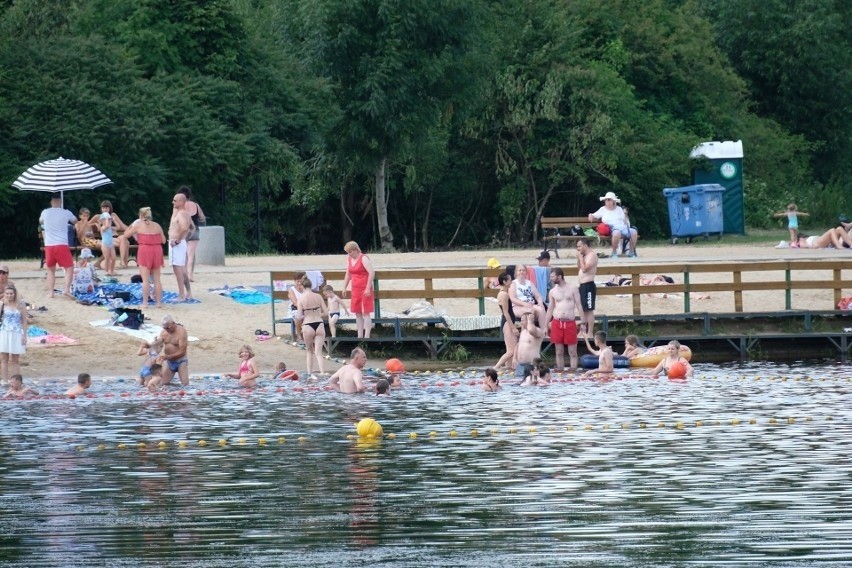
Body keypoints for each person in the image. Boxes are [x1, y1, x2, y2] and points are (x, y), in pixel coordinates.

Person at [121, 207, 166, 308]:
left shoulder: (138, 225)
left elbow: (126, 235)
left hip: (145, 250)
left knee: (145, 280)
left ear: (141, 215)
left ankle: (145, 303)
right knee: (157, 279)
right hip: (157, 250)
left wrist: (131, 226)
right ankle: (159, 303)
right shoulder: (157, 226)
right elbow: (163, 240)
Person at [545, 267, 584, 372]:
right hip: (557, 322)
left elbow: (579, 305)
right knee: (559, 351)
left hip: (570, 322)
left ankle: (573, 370)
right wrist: (545, 325)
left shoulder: (573, 288)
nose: (551, 279)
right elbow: (550, 309)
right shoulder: (552, 291)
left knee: (572, 351)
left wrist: (583, 323)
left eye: (553, 277)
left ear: (559, 276)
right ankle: (560, 370)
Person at [39, 193, 77, 298]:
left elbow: (40, 221)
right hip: (61, 244)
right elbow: (75, 220)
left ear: (51, 202)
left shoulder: (45, 212)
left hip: (49, 245)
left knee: (51, 269)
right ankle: (66, 289)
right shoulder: (66, 212)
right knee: (69, 267)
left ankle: (51, 292)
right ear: (60, 202)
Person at [588, 191, 638, 258]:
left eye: (609, 199)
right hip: (612, 228)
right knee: (617, 233)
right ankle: (614, 252)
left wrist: (626, 215)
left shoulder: (619, 209)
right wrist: (590, 215)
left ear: (613, 201)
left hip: (622, 227)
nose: (607, 201)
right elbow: (593, 215)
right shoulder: (603, 209)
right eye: (606, 199)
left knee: (634, 232)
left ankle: (631, 252)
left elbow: (625, 220)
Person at [342, 241, 375, 338]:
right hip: (355, 288)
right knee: (357, 312)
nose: (349, 254)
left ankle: (367, 335)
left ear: (356, 250)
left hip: (365, 288)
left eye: (350, 252)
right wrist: (344, 287)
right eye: (348, 252)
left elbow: (371, 273)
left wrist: (368, 288)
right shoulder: (349, 259)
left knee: (366, 312)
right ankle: (359, 335)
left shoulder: (363, 258)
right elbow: (348, 274)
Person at [298, 276, 328, 376]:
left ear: (302, 286)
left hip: (307, 324)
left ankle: (310, 373)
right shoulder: (318, 296)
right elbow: (326, 312)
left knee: (309, 351)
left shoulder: (301, 298)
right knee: (318, 352)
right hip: (319, 324)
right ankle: (323, 372)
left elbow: (298, 316)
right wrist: (319, 314)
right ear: (311, 285)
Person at [168, 193, 195, 301]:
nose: (173, 202)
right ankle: (188, 293)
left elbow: (184, 228)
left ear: (181, 202)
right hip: (179, 243)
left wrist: (178, 240)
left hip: (177, 244)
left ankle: (182, 295)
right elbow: (192, 228)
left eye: (175, 200)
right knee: (182, 269)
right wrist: (185, 239)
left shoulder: (182, 214)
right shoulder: (184, 213)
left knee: (177, 269)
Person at [177, 186, 206, 282]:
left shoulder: (180, 206)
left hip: (183, 231)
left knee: (183, 253)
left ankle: (184, 274)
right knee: (191, 254)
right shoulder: (196, 205)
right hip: (195, 231)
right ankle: (190, 275)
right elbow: (202, 217)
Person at [0, 285, 28, 382]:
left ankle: (17, 382)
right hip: (4, 333)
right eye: (7, 293)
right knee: (4, 359)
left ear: (15, 294)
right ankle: (5, 381)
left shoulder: (20, 305)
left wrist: (24, 335)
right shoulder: (2, 304)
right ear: (5, 294)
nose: (9, 295)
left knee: (15, 360)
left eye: (11, 293)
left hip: (16, 333)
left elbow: (24, 320)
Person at [493, 272, 518, 371]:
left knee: (510, 349)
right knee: (512, 351)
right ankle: (495, 368)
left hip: (508, 322)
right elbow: (506, 312)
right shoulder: (504, 295)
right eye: (510, 279)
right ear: (504, 281)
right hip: (507, 323)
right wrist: (513, 328)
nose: (511, 281)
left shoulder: (504, 292)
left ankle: (509, 368)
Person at [97, 200, 127, 276]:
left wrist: (114, 220)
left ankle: (111, 270)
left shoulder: (110, 227)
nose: (105, 209)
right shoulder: (103, 227)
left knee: (113, 258)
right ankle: (107, 271)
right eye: (103, 208)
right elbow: (106, 226)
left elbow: (118, 227)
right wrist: (107, 219)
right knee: (107, 258)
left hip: (110, 244)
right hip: (105, 244)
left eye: (107, 208)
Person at [159, 314, 189, 386]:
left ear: (173, 323)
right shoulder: (164, 332)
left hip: (181, 361)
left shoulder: (181, 332)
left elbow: (182, 351)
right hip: (169, 362)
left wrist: (168, 357)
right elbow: (158, 345)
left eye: (168, 328)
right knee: (163, 384)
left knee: (185, 385)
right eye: (165, 328)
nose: (166, 329)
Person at [576, 238, 598, 333]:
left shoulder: (592, 255)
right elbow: (579, 266)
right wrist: (579, 258)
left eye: (579, 246)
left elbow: (585, 269)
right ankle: (583, 331)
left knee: (589, 309)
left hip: (588, 285)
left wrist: (581, 258)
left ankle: (590, 332)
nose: (578, 248)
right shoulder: (584, 256)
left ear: (585, 245)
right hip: (582, 286)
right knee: (583, 308)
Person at [515, 312, 544, 380]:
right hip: (520, 365)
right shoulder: (523, 332)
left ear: (529, 320)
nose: (521, 322)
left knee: (531, 384)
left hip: (532, 365)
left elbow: (531, 330)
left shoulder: (538, 331)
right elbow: (518, 345)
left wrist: (530, 321)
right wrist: (514, 358)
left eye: (522, 320)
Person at [287, 272, 307, 342]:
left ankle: (308, 335)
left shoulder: (306, 289)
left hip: (306, 308)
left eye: (301, 281)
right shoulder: (292, 290)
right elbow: (295, 302)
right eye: (297, 281)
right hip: (295, 308)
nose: (299, 283)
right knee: (298, 316)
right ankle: (299, 336)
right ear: (295, 281)